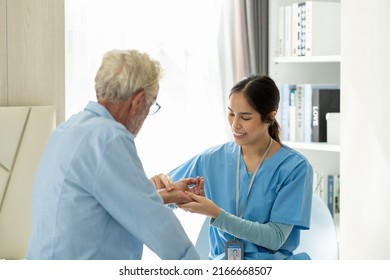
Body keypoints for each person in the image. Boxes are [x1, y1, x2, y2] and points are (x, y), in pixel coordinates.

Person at [26, 49, 201, 260]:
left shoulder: (68, 130)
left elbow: (99, 203)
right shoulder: (108, 137)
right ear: (137, 102)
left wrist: (163, 196)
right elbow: (156, 224)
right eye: (150, 105)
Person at [154, 74, 313, 260]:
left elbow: (275, 238)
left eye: (245, 117)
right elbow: (154, 199)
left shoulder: (294, 167)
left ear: (270, 116)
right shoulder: (212, 159)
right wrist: (169, 194)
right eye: (231, 113)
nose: (235, 125)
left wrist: (216, 213)